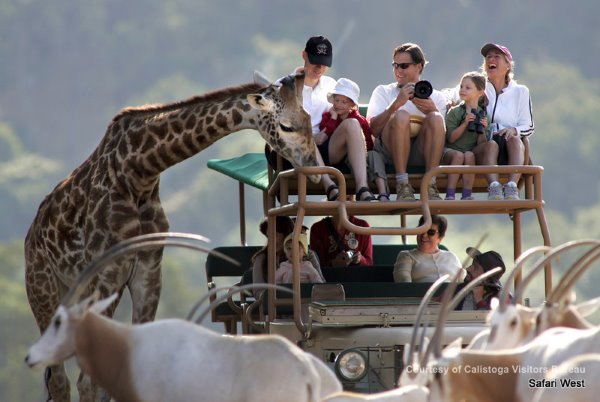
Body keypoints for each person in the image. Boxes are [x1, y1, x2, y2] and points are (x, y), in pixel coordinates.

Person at [367, 43, 448, 201]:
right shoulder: (383, 91)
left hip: (420, 152)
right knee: (402, 115)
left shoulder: (436, 97)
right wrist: (395, 105)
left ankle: (430, 184)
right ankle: (402, 184)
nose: (398, 70)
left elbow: (444, 136)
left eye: (403, 66)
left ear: (419, 67)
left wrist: (433, 110)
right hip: (390, 152)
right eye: (395, 65)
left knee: (436, 118)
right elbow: (374, 130)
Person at [476, 43, 534, 200]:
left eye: (496, 57)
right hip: (484, 143)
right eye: (488, 57)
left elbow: (528, 125)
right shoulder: (478, 85)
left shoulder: (520, 91)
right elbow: (457, 93)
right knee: (491, 145)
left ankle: (511, 187)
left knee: (515, 139)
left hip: (509, 147)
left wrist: (514, 130)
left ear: (508, 65)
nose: (491, 60)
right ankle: (494, 187)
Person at [317, 78, 377, 201]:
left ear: (351, 105)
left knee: (353, 123)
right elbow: (322, 138)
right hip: (330, 152)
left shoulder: (359, 120)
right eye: (337, 100)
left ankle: (362, 187)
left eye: (343, 102)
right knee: (351, 123)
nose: (338, 104)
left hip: (352, 157)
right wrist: (333, 119)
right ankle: (332, 186)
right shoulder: (328, 116)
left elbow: (368, 144)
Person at [443, 71, 491, 200]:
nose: (462, 90)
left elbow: (481, 144)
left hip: (469, 152)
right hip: (451, 151)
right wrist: (465, 124)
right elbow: (451, 139)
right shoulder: (455, 112)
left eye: (468, 88)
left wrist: (483, 129)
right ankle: (450, 193)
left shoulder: (484, 115)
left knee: (469, 155)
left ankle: (467, 194)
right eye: (461, 86)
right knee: (459, 155)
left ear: (480, 93)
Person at [393, 215, 465, 282]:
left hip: (452, 295)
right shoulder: (407, 256)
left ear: (440, 237)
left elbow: (463, 281)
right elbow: (403, 282)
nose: (424, 235)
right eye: (421, 230)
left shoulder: (451, 257)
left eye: (431, 232)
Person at [309, 207, 374, 267]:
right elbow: (316, 265)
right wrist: (333, 263)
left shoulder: (363, 226)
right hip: (330, 278)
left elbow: (369, 262)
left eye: (350, 194)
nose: (347, 196)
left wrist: (360, 259)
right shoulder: (318, 228)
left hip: (357, 277)